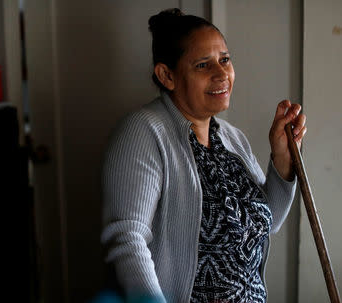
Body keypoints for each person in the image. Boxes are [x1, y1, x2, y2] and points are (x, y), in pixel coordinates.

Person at [100, 8, 306, 303]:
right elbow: (127, 239)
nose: (221, 73)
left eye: (224, 60)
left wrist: (283, 160)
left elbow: (265, 224)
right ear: (166, 75)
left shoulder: (232, 138)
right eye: (202, 65)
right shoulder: (144, 132)